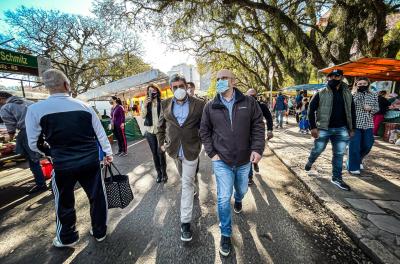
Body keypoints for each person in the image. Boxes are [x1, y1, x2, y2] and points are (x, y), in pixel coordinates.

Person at [25, 69, 113, 248]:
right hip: (90, 161)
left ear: (47, 87)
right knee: (97, 196)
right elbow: (100, 134)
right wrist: (108, 153)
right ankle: (99, 231)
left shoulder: (34, 109)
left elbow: (33, 143)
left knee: (64, 201)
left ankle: (67, 237)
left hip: (62, 164)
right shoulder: (85, 107)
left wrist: (50, 154)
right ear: (66, 85)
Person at [200, 69, 265, 256]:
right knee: (222, 197)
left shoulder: (249, 102)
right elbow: (204, 131)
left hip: (244, 160)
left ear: (233, 81)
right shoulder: (210, 106)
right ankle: (226, 234)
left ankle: (239, 199)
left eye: (224, 78)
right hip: (222, 161)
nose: (220, 81)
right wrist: (212, 153)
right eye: (218, 79)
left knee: (242, 190)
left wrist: (257, 149)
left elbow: (258, 126)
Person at [157, 74, 206, 242]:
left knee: (186, 184)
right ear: (171, 89)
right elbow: (160, 126)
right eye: (175, 87)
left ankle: (185, 223)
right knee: (185, 178)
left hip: (192, 149)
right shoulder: (164, 104)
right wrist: (161, 143)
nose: (178, 89)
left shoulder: (199, 104)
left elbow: (205, 126)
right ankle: (193, 183)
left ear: (186, 86)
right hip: (174, 150)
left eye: (181, 86)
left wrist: (202, 140)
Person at [305, 69, 356, 191]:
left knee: (338, 154)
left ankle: (336, 178)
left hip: (341, 129)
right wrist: (312, 127)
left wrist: (352, 128)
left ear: (342, 77)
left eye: (337, 76)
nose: (333, 78)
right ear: (328, 78)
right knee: (318, 149)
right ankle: (310, 161)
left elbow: (352, 111)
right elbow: (311, 110)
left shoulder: (348, 93)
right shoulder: (321, 92)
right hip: (323, 128)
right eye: (331, 76)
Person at [0, 92, 47, 194]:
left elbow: (10, 127)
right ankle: (57, 177)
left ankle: (41, 184)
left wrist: (9, 138)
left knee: (33, 160)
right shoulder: (29, 102)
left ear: (1, 98)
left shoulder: (6, 107)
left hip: (27, 133)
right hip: (42, 130)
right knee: (48, 155)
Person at [347, 77, 379, 174]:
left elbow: (377, 108)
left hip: (368, 124)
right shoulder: (351, 95)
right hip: (355, 124)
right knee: (354, 146)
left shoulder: (373, 95)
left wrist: (370, 108)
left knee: (368, 144)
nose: (362, 85)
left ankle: (358, 159)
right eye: (359, 84)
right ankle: (353, 167)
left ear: (368, 84)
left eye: (364, 83)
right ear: (356, 85)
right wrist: (356, 95)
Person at [246, 88, 273, 186]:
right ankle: (249, 177)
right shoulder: (243, 105)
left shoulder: (262, 106)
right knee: (248, 154)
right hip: (246, 135)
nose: (252, 98)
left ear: (256, 96)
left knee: (257, 152)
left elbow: (269, 117)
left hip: (258, 134)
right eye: (250, 96)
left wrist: (270, 130)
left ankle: (255, 162)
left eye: (254, 96)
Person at [141, 83, 167, 183]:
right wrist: (145, 105)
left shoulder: (162, 102)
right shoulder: (146, 103)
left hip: (160, 132)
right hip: (150, 131)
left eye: (153, 90)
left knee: (161, 152)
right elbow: (143, 116)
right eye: (149, 91)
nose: (152, 92)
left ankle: (164, 173)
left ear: (157, 91)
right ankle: (159, 174)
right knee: (154, 154)